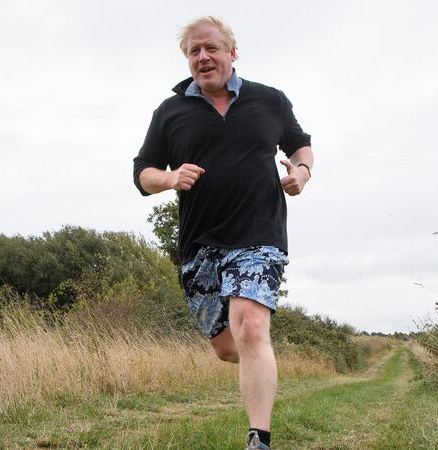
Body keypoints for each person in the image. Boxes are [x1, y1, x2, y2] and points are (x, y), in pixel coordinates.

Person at [132, 16, 313, 450]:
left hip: (259, 235)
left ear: (232, 53)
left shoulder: (269, 101)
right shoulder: (170, 112)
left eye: (210, 48)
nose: (202, 57)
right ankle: (260, 355)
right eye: (193, 51)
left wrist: (302, 173)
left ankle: (258, 440)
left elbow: (300, 144)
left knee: (250, 327)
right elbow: (142, 174)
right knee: (229, 346)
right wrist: (170, 178)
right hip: (200, 246)